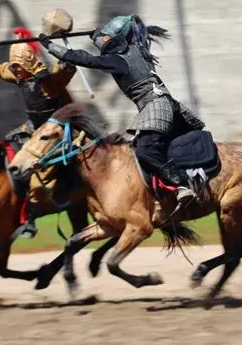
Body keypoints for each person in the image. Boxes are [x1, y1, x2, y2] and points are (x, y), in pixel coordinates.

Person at [37, 13, 204, 220]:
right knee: (147, 150)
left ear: (114, 39)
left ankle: (183, 184)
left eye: (104, 37)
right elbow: (107, 45)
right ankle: (161, 196)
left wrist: (50, 46)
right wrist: (96, 35)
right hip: (164, 104)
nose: (100, 40)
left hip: (155, 105)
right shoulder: (136, 49)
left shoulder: (118, 60)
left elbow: (85, 59)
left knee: (145, 150)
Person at [0, 25, 77, 238]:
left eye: (18, 66)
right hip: (33, 128)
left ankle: (34, 213)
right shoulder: (19, 76)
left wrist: (62, 50)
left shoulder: (49, 82)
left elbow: (66, 69)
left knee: (40, 177)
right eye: (14, 66)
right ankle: (12, 204)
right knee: (7, 151)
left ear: (28, 63)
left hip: (55, 132)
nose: (15, 70)